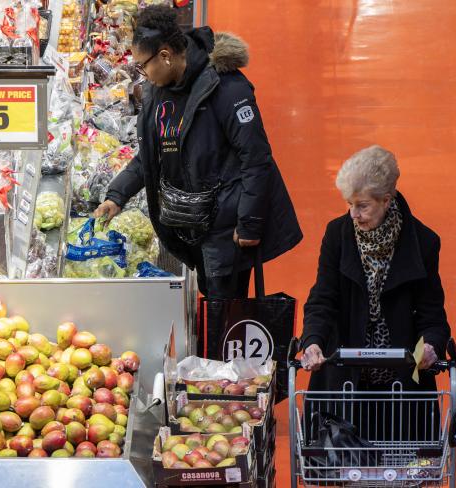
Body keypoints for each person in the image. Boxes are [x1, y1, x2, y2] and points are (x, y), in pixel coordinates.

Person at [95, 6, 302, 356]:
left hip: (227, 223)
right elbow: (149, 155)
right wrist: (117, 194)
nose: (141, 74)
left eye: (143, 65)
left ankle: (226, 386)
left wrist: (250, 223)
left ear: (165, 55)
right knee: (212, 301)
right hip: (190, 222)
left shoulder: (226, 88)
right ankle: (215, 374)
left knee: (224, 309)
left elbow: (257, 159)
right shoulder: (159, 92)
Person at [300, 145, 450, 442]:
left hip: (400, 389)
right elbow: (323, 298)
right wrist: (313, 341)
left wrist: (431, 345)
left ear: (386, 200)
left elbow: (432, 314)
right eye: (349, 204)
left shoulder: (424, 242)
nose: (354, 214)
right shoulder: (337, 235)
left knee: (401, 471)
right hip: (345, 382)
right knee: (347, 468)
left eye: (362, 205)